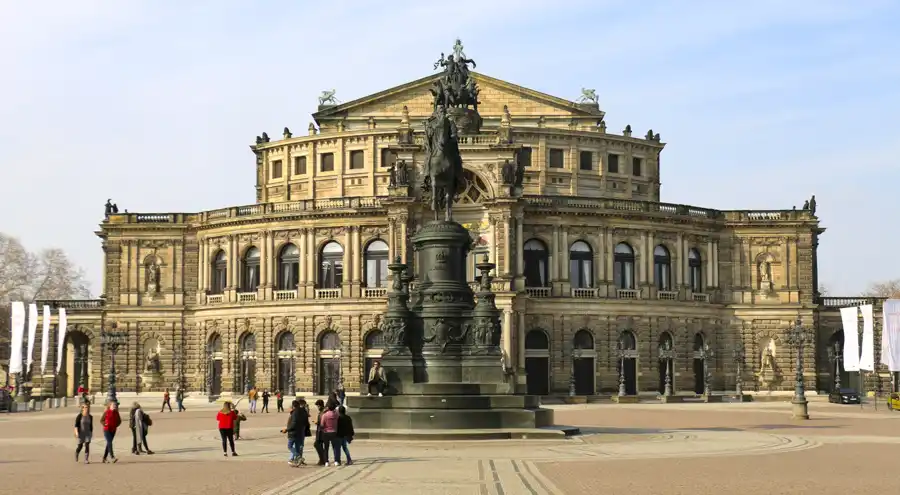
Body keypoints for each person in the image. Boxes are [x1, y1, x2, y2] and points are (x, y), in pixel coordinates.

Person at [282, 399, 310, 466]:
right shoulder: (303, 411)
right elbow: (306, 422)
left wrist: (287, 429)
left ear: (293, 406)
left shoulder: (294, 413)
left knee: (290, 446)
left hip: (293, 432)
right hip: (300, 432)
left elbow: (293, 424)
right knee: (298, 446)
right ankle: (297, 461)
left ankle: (298, 457)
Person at [312, 399, 328, 466]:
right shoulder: (323, 411)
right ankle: (322, 459)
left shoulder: (323, 412)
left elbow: (322, 422)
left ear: (320, 405)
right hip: (320, 431)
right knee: (319, 445)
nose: (317, 408)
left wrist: (317, 423)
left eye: (318, 406)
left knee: (317, 444)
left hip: (322, 432)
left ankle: (323, 459)